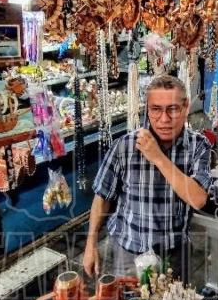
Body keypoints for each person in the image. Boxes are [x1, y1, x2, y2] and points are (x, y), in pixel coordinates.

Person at [83, 75, 211, 281]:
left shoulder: (198, 146)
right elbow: (102, 197)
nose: (164, 119)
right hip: (129, 252)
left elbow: (198, 199)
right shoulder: (124, 146)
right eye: (156, 109)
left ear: (186, 107)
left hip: (174, 253)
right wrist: (90, 245)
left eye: (173, 109)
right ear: (147, 109)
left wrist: (158, 157)